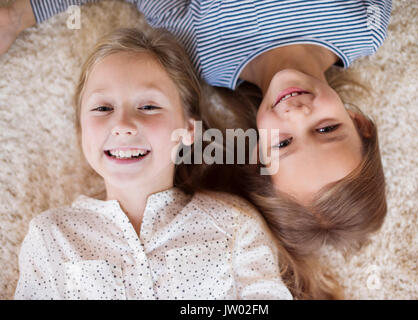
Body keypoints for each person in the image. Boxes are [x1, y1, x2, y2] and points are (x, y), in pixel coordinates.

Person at [4, 0, 391, 299]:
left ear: (256, 152)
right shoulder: (366, 28)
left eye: (284, 142)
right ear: (359, 123)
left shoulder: (205, 52)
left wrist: (23, 13)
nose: (297, 113)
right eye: (326, 129)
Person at [14, 27, 293, 300]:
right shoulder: (51, 236)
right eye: (103, 108)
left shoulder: (233, 224)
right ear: (81, 130)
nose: (122, 125)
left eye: (148, 107)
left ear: (188, 130)